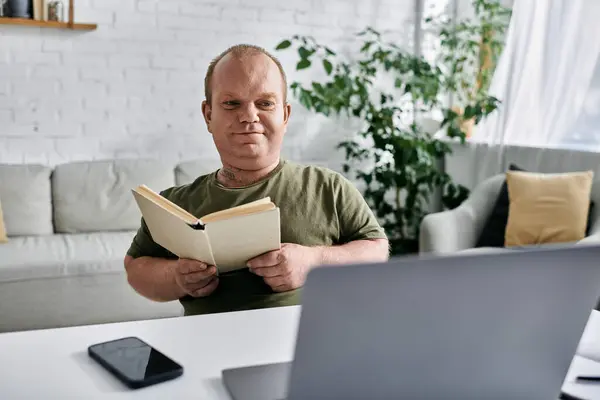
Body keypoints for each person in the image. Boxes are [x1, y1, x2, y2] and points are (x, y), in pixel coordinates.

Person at [124, 44, 390, 316]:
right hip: (207, 349)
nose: (249, 116)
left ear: (285, 115)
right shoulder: (174, 204)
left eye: (265, 103)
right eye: (231, 103)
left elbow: (377, 250)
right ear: (208, 115)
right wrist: (176, 277)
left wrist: (313, 261)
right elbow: (135, 268)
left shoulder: (328, 187)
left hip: (307, 346)